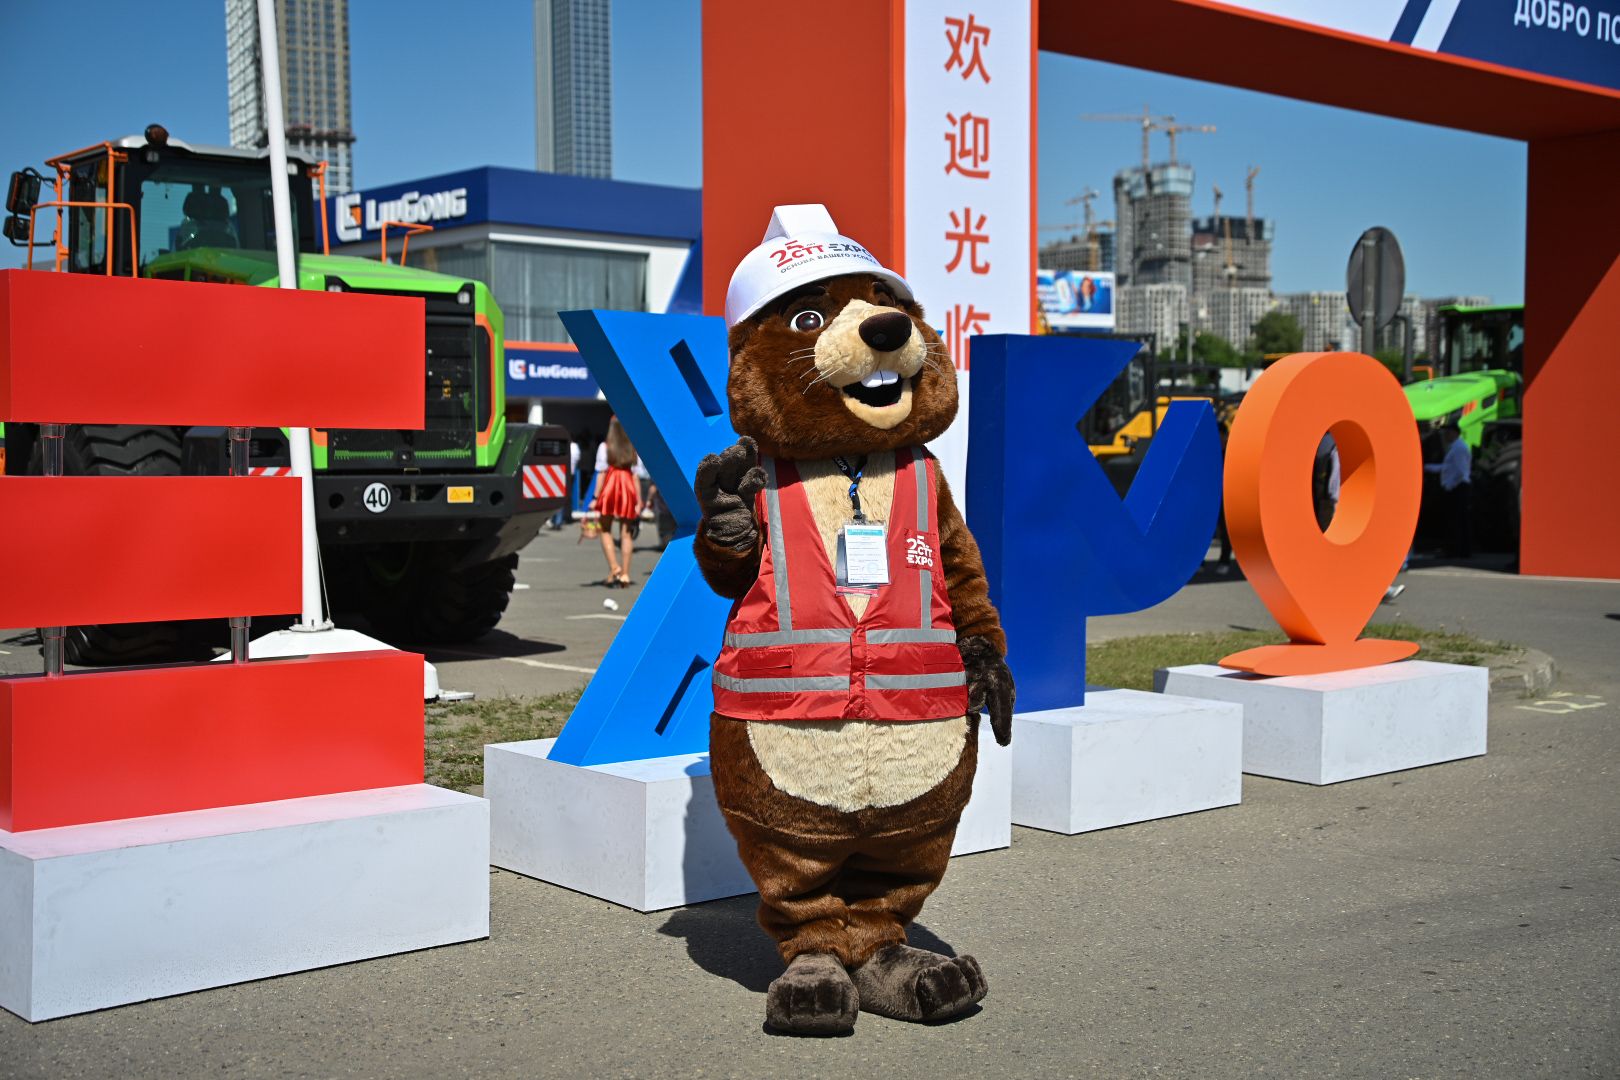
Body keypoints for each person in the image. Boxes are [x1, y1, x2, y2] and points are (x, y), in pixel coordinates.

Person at [588, 417, 647, 587]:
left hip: (611, 486)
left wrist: (595, 498)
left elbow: (601, 473)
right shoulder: (632, 447)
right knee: (626, 533)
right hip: (627, 486)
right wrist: (639, 501)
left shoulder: (605, 447)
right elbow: (635, 475)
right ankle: (625, 575)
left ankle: (614, 567)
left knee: (605, 528)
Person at [1425, 426, 1473, 557]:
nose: (1445, 436)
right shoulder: (1455, 447)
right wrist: (1428, 467)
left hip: (1458, 487)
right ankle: (1459, 549)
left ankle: (1457, 550)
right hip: (1457, 487)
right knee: (1456, 520)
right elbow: (1447, 467)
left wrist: (1450, 486)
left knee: (1456, 520)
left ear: (1454, 433)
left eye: (1447, 433)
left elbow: (1460, 471)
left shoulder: (1459, 449)